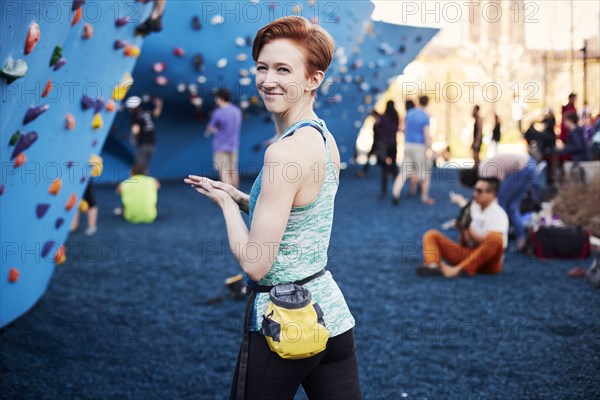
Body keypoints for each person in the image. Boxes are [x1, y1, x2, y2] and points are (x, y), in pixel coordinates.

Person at [185, 16, 361, 399]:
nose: (267, 80)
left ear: (314, 79)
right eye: (262, 68)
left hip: (284, 324)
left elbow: (254, 263)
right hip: (331, 316)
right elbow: (300, 215)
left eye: (283, 69)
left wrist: (224, 205)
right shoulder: (323, 138)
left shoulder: (282, 152)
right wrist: (242, 199)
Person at [418, 177, 509, 278]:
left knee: (496, 238)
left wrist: (469, 228)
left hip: (487, 262)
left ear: (492, 193)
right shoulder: (473, 207)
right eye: (474, 189)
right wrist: (462, 228)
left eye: (479, 191)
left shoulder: (499, 214)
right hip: (469, 255)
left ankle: (459, 269)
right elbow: (466, 241)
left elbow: (495, 247)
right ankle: (433, 265)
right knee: (431, 235)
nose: (475, 193)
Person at [478, 153, 537, 250]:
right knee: (512, 207)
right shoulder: (485, 165)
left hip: (524, 168)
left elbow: (499, 181)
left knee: (501, 202)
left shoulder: (484, 170)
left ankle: (501, 238)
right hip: (531, 166)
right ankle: (521, 240)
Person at [391, 95, 435, 205]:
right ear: (427, 103)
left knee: (404, 171)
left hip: (408, 145)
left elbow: (403, 129)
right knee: (424, 173)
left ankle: (395, 193)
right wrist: (431, 148)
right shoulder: (425, 116)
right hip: (419, 146)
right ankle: (424, 197)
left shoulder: (409, 113)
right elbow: (426, 134)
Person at [205, 88, 242, 189]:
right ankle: (237, 194)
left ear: (220, 98)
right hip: (233, 145)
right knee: (233, 170)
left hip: (220, 146)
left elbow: (210, 129)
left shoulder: (218, 113)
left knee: (224, 171)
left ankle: (229, 196)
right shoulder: (237, 111)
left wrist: (214, 128)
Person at [126, 96, 163, 172]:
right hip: (152, 143)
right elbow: (156, 113)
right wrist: (159, 105)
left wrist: (132, 137)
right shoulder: (147, 113)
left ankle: (138, 181)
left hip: (143, 143)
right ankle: (145, 179)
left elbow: (135, 130)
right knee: (146, 165)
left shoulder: (135, 116)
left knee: (139, 166)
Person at [374, 100, 400, 199]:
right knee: (394, 167)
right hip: (393, 144)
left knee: (384, 169)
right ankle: (395, 190)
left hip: (383, 145)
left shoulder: (382, 117)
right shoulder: (396, 117)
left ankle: (384, 192)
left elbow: (377, 129)